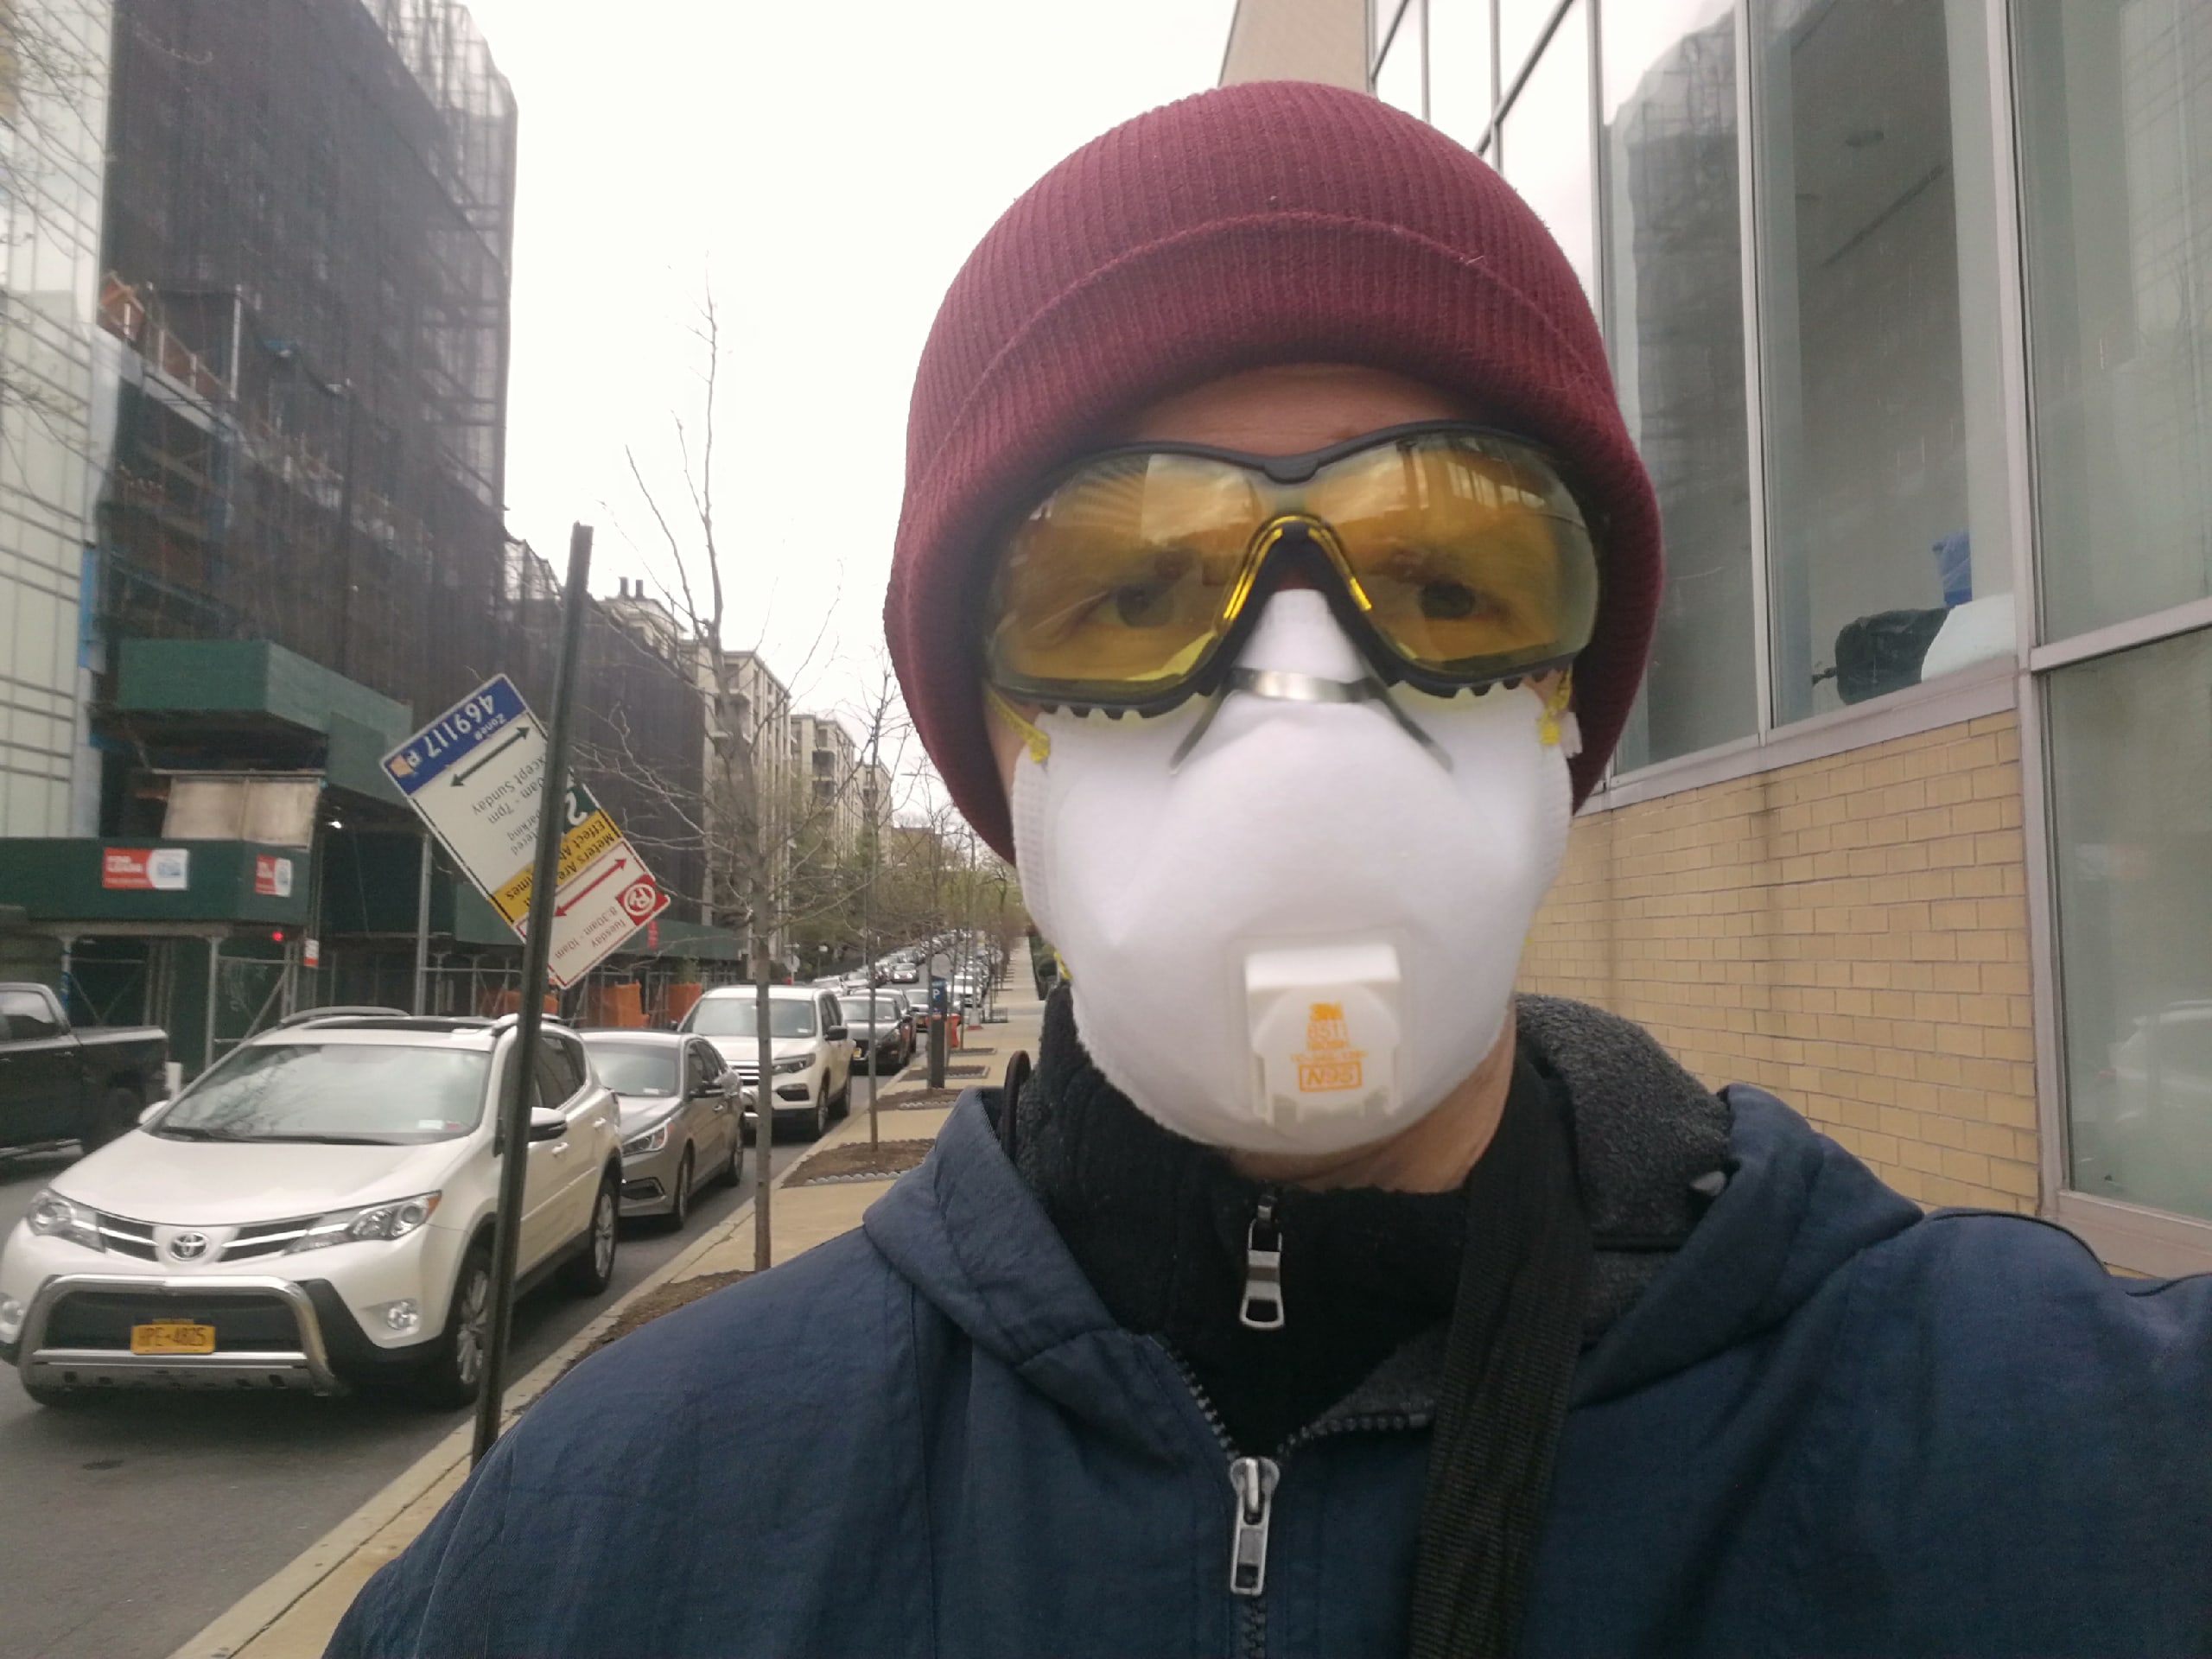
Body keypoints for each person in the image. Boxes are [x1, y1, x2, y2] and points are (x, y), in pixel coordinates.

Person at [328, 81, 2211, 1659]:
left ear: (1569, 710)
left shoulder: (2044, 1456)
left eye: (1447, 577)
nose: (1297, 695)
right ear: (992, 752)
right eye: (1128, 590)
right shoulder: (614, 1543)